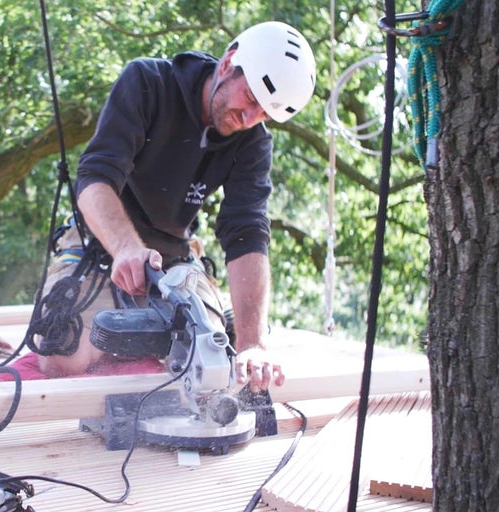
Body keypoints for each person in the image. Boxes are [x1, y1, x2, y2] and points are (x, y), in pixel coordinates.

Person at [33, 21, 316, 392]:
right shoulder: (148, 82)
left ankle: (218, 319)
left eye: (264, 114)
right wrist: (126, 248)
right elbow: (94, 178)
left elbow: (247, 232)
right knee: (61, 356)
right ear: (229, 63)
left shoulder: (252, 141)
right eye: (249, 99)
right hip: (99, 248)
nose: (249, 120)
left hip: (176, 260)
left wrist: (253, 345)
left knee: (212, 365)